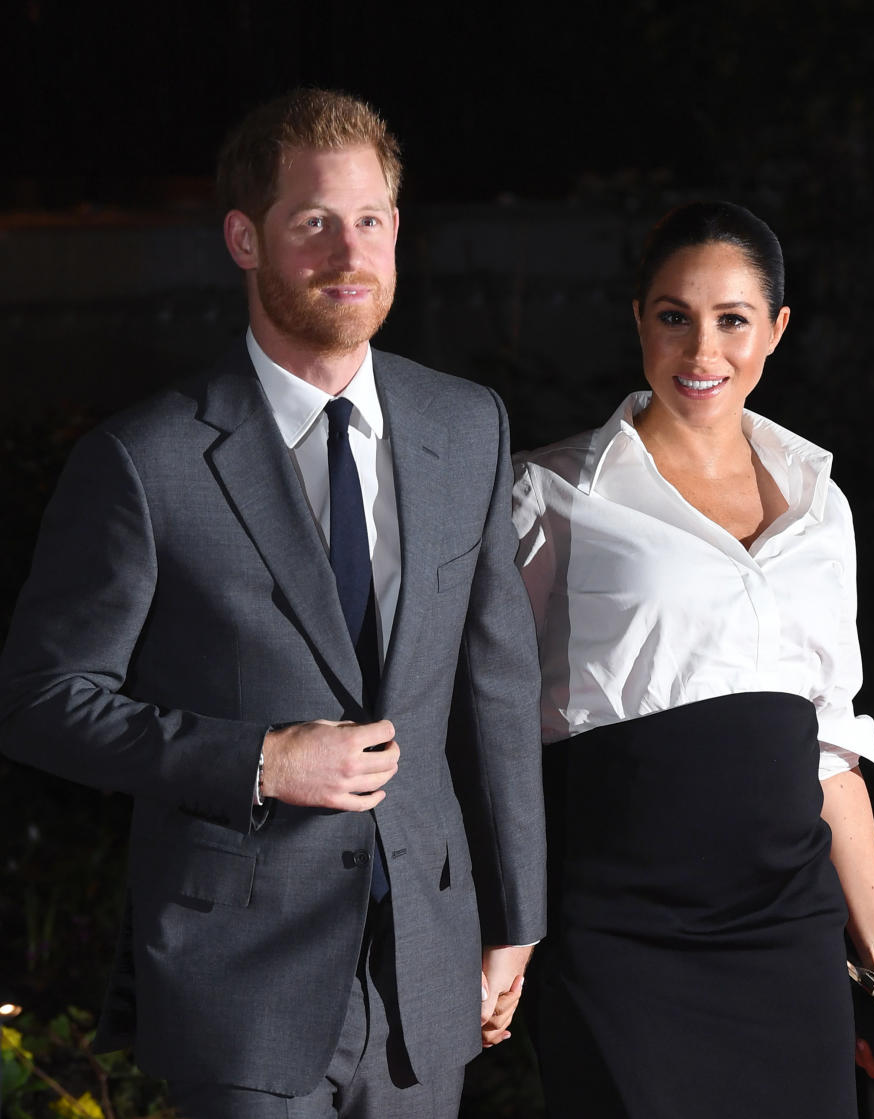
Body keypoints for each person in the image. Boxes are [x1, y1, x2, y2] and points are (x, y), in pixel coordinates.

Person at [0, 88, 546, 1119]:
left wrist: (516, 918)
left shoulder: (467, 425)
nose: (352, 251)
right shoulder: (144, 460)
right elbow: (39, 698)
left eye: (373, 219)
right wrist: (257, 760)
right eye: (315, 221)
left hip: (425, 973)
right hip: (237, 980)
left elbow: (499, 688)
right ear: (245, 238)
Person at [512, 201, 874, 1118]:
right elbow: (488, 721)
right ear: (638, 318)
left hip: (787, 935)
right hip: (620, 933)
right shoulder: (548, 492)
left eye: (732, 320)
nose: (701, 350)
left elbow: (829, 746)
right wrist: (505, 931)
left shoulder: (821, 506)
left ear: (777, 329)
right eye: (674, 316)